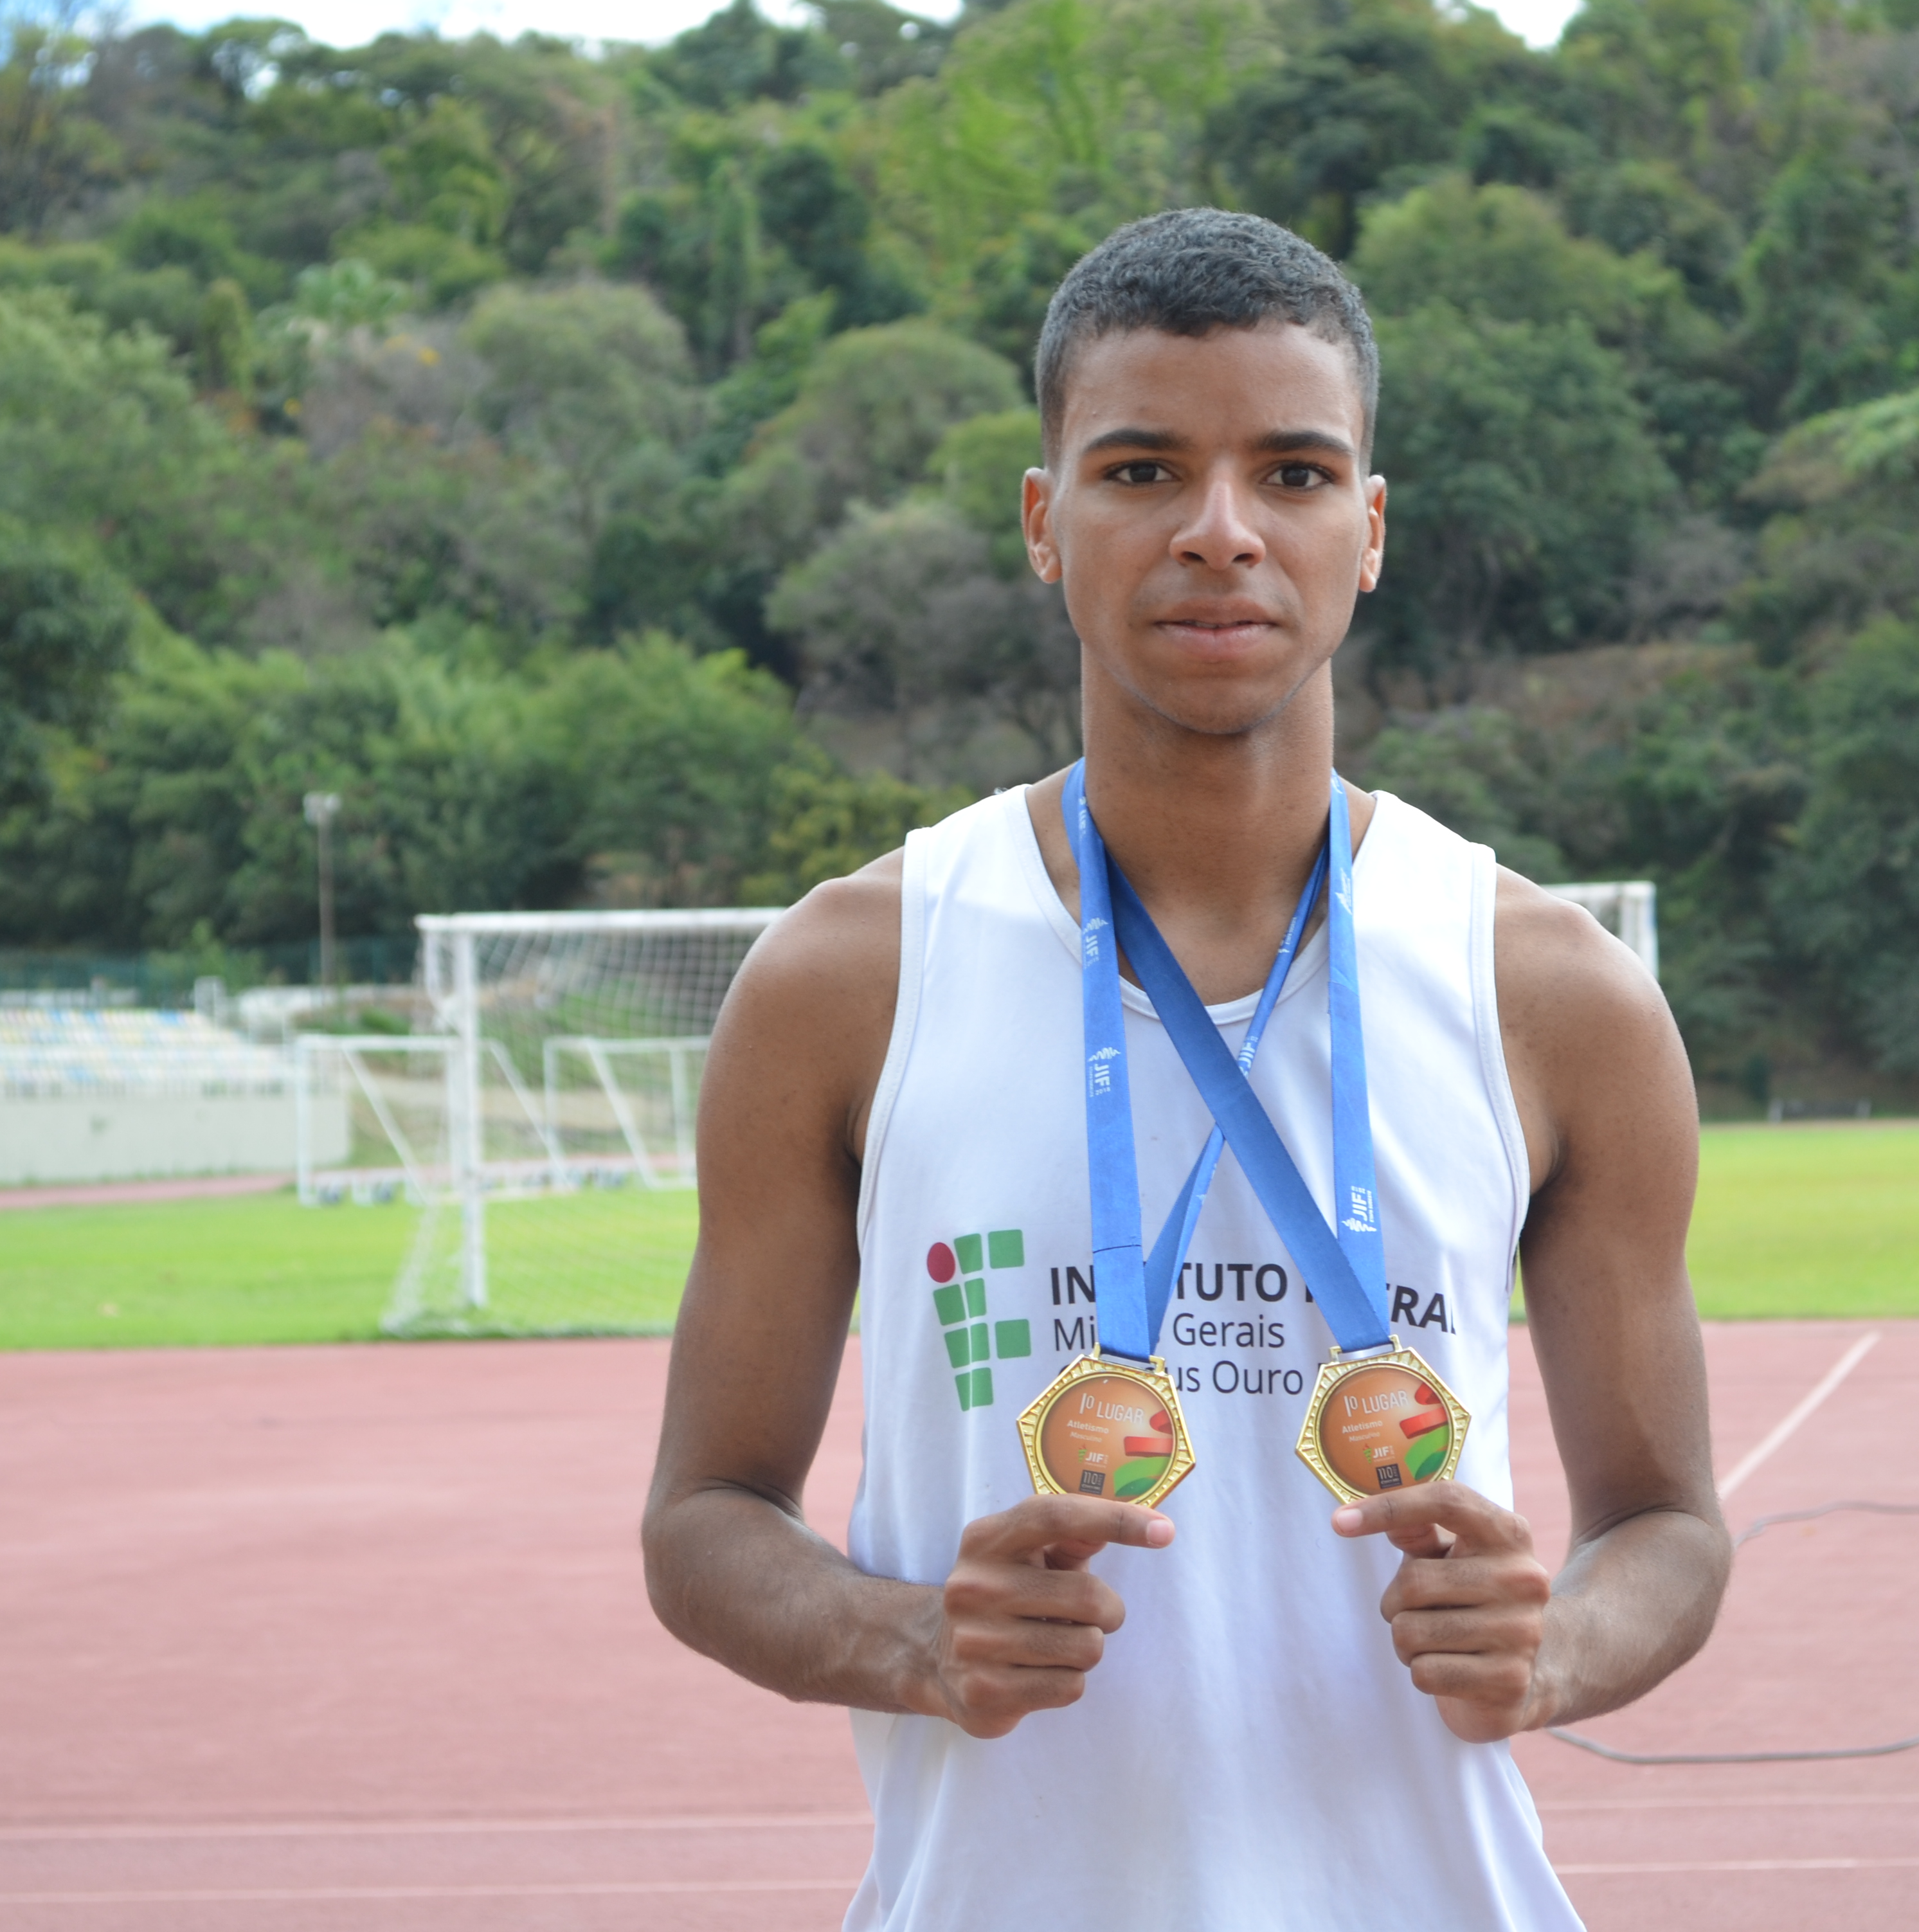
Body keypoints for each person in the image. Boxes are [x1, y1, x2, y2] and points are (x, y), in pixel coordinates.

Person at [641, 208, 1725, 1929]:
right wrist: (912, 1639)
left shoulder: (1551, 992)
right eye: (1142, 471)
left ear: (1366, 531)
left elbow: (1670, 1523)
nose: (1222, 532)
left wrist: (1558, 1645)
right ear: (1043, 523)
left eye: (1293, 475)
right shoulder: (851, 977)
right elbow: (703, 1515)